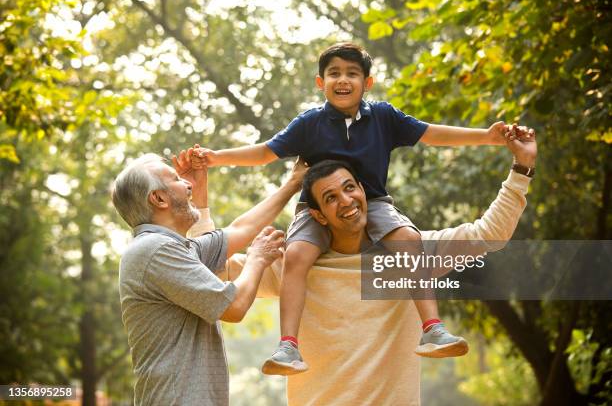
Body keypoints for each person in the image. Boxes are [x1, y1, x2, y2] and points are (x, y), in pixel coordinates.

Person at [200, 42, 534, 373]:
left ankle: (432, 327)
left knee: (407, 239)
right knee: (298, 255)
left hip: (372, 201)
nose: (342, 80)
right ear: (320, 83)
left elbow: (432, 134)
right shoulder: (309, 123)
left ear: (367, 83)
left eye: (351, 74)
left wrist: (487, 137)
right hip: (314, 208)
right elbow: (264, 153)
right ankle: (288, 344)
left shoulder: (384, 117)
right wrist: (216, 159)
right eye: (333, 74)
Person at [214, 130, 537, 405]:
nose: (346, 200)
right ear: (319, 216)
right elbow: (211, 272)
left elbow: (489, 234)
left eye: (350, 188)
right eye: (330, 197)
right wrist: (202, 198)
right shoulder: (292, 267)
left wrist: (522, 167)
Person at [110, 146, 306, 406]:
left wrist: (293, 183)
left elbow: (242, 229)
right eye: (177, 180)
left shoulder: (177, 248)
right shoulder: (155, 250)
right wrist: (257, 259)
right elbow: (234, 307)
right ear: (159, 199)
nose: (188, 185)